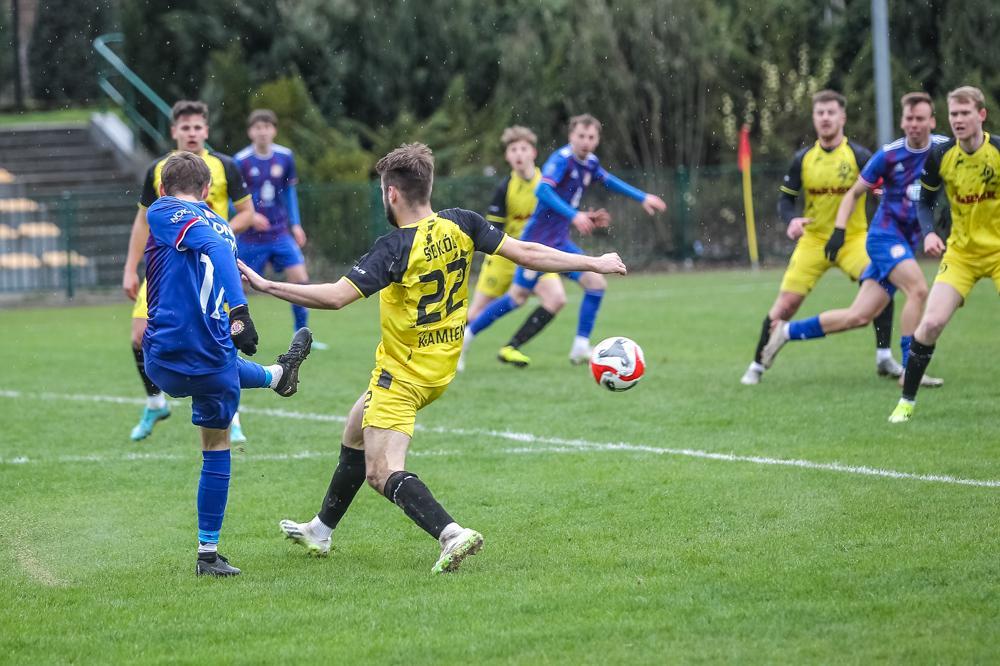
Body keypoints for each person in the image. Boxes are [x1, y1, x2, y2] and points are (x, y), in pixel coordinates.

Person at [237, 143, 627, 573]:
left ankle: (451, 534)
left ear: (391, 194)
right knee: (355, 429)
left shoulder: (395, 247)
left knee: (381, 471)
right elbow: (529, 253)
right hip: (440, 365)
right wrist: (595, 261)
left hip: (403, 375)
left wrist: (266, 285)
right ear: (428, 186)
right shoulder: (462, 222)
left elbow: (334, 297)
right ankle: (320, 530)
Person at [143, 152, 313, 576]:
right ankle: (207, 555)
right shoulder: (221, 224)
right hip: (214, 357)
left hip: (163, 357)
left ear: (162, 189)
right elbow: (219, 248)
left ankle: (276, 376)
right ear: (207, 192)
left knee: (206, 376)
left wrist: (239, 312)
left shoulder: (163, 208)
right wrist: (240, 311)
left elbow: (210, 250)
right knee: (215, 445)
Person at [759, 92, 946, 390]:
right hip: (884, 238)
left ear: (932, 121)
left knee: (858, 316)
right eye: (909, 118)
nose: (914, 124)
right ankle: (910, 371)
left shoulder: (945, 149)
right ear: (901, 121)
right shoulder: (887, 155)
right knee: (918, 290)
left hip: (905, 242)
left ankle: (787, 331)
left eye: (920, 119)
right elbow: (853, 194)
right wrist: (839, 230)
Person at [461, 114, 666, 368]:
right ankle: (467, 337)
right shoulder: (561, 160)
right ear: (571, 136)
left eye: (591, 137)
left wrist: (642, 197)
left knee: (596, 284)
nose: (586, 142)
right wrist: (574, 215)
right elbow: (542, 191)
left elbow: (608, 181)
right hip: (536, 243)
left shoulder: (590, 163)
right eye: (581, 136)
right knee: (517, 297)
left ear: (597, 139)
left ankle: (580, 346)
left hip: (559, 241)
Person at [740, 90, 901, 386]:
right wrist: (792, 221)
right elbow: (785, 202)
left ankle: (884, 356)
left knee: (882, 281)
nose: (825, 118)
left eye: (831, 112)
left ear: (842, 117)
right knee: (785, 306)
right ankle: (757, 365)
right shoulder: (803, 159)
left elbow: (884, 193)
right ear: (814, 118)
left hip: (853, 239)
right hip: (813, 241)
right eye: (820, 113)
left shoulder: (860, 156)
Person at [122, 100, 258, 443]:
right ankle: (155, 402)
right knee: (138, 336)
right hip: (164, 269)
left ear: (206, 131)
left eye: (198, 127)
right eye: (186, 128)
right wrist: (130, 267)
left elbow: (248, 213)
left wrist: (213, 233)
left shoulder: (224, 165)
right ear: (174, 132)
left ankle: (233, 413)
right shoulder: (159, 169)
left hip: (209, 267)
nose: (192, 133)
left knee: (215, 331)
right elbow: (142, 220)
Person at [889, 86, 1000, 422]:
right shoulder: (941, 156)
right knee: (932, 322)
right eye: (953, 114)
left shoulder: (997, 151)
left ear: (981, 115)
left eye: (965, 113)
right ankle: (906, 403)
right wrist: (929, 233)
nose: (958, 119)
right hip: (962, 254)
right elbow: (924, 200)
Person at [233, 109, 328, 350]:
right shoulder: (240, 160)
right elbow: (231, 199)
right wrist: (249, 217)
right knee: (236, 286)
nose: (262, 131)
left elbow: (289, 193)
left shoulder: (285, 157)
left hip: (279, 233)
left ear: (274, 130)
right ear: (250, 132)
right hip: (250, 237)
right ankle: (233, 334)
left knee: (300, 280)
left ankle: (302, 334)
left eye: (267, 126)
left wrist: (295, 224)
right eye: (257, 127)